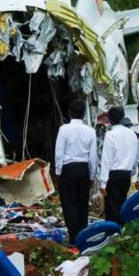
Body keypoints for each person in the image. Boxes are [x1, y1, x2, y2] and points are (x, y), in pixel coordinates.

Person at [55, 100, 98, 244]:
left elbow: (59, 153)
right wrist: (92, 175)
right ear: (84, 114)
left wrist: (58, 171)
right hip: (83, 168)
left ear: (69, 112)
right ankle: (83, 234)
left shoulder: (63, 130)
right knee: (82, 202)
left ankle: (73, 236)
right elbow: (93, 157)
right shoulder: (91, 131)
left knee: (69, 203)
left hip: (68, 168)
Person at [99, 107, 138, 224]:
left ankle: (113, 232)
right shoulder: (132, 133)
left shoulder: (110, 134)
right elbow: (135, 155)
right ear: (122, 117)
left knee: (111, 206)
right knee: (122, 202)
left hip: (113, 173)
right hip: (126, 173)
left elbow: (106, 159)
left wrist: (103, 182)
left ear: (109, 119)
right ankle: (122, 230)